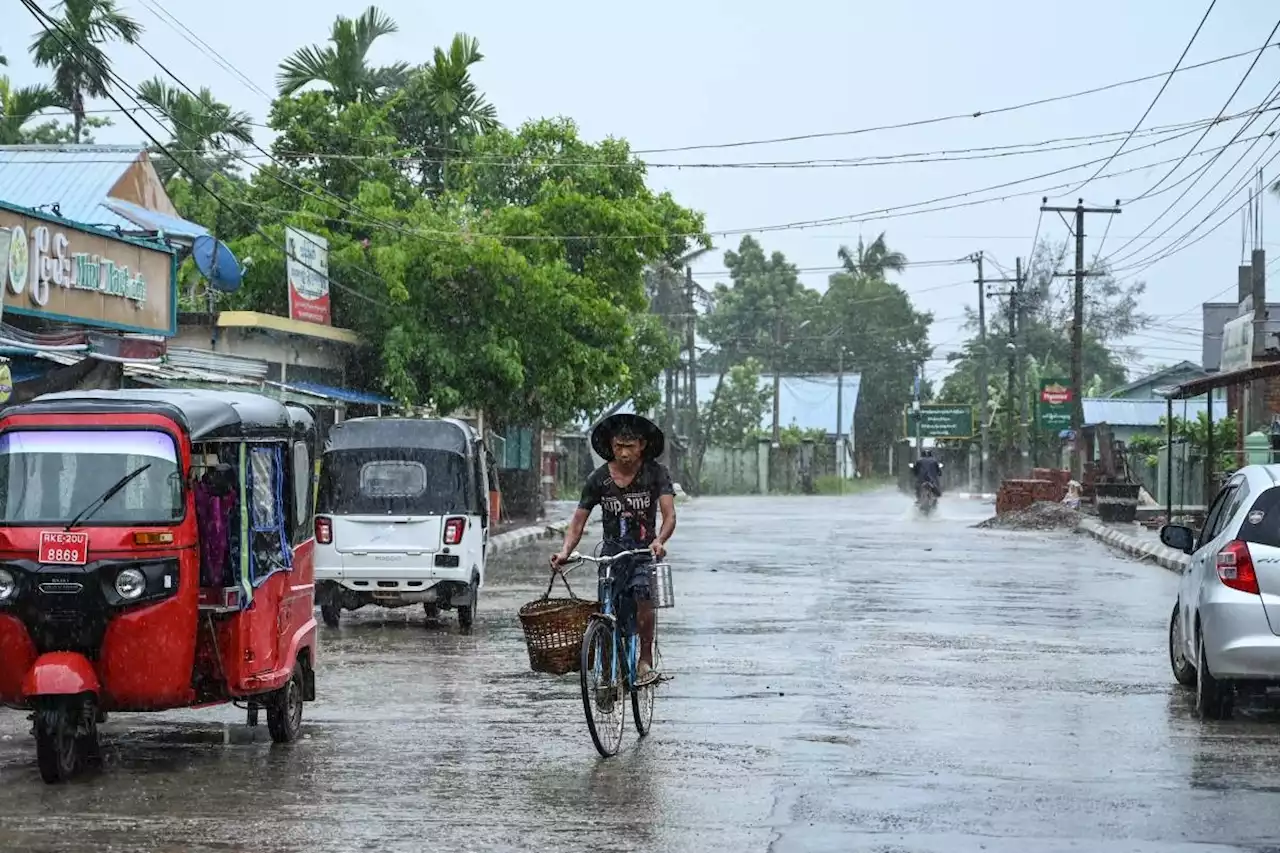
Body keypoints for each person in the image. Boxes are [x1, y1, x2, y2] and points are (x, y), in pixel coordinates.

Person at [551, 413, 676, 687]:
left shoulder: (656, 474)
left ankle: (644, 660)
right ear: (611, 445)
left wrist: (660, 541)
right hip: (611, 554)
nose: (624, 453)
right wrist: (564, 551)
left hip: (644, 553)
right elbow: (577, 522)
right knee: (607, 612)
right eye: (618, 446)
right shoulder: (598, 480)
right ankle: (608, 674)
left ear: (641, 445)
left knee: (645, 597)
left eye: (630, 447)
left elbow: (669, 516)